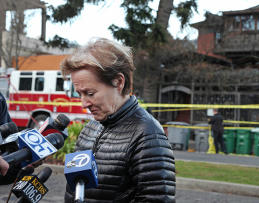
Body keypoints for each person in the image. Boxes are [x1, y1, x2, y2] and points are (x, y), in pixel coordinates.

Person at [61, 38, 176, 202]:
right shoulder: (90, 128)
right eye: (80, 94)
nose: (83, 103)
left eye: (90, 93)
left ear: (119, 82)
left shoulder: (148, 135)